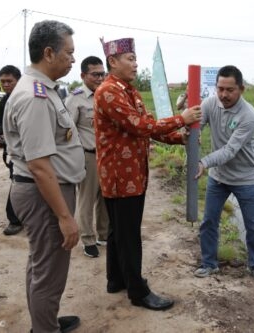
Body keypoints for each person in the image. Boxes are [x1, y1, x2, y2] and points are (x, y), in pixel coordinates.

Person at [94, 36, 202, 311]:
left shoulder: (129, 90)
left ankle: (116, 279)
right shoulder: (109, 91)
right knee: (128, 234)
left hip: (132, 175)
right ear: (113, 61)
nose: (135, 63)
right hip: (121, 177)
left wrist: (180, 138)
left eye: (135, 58)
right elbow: (140, 126)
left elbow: (149, 126)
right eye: (130, 59)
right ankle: (138, 292)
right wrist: (182, 118)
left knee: (119, 231)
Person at [3, 20, 84, 333]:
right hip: (45, 194)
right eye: (69, 52)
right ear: (49, 53)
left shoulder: (42, 90)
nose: (73, 59)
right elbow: (39, 165)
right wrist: (64, 216)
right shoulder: (35, 96)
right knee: (49, 272)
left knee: (41, 266)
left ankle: (44, 321)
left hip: (43, 192)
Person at [194, 65, 254, 283]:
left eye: (230, 90)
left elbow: (230, 150)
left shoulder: (249, 115)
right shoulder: (209, 104)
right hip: (219, 177)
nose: (224, 95)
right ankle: (209, 264)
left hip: (247, 178)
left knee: (253, 226)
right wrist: (193, 133)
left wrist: (204, 162)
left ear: (241, 89)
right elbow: (197, 124)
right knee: (209, 221)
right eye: (220, 89)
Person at [65, 56, 109, 258]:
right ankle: (88, 239)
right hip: (88, 156)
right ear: (83, 75)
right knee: (87, 199)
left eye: (102, 73)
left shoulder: (108, 94)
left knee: (106, 198)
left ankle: (103, 234)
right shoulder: (76, 99)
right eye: (95, 74)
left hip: (108, 156)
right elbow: (67, 132)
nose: (100, 78)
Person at [0, 65, 23, 236]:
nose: (5, 85)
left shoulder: (27, 97)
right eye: (3, 81)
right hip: (14, 153)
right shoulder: (5, 100)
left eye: (9, 81)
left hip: (32, 149)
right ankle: (14, 220)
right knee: (17, 184)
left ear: (18, 80)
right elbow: (0, 124)